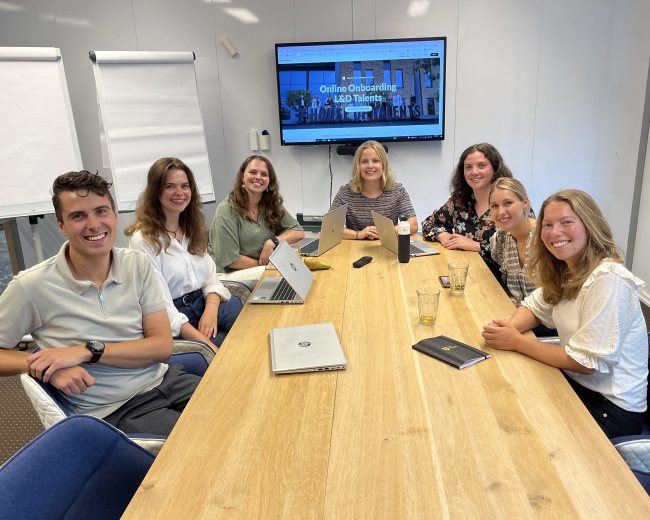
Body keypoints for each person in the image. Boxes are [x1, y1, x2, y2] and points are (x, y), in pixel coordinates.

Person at [0, 171, 199, 436]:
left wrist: (88, 351)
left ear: (115, 215)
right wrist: (44, 366)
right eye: (78, 216)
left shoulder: (136, 265)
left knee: (248, 411)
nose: (94, 225)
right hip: (118, 408)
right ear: (61, 225)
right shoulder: (31, 285)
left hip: (166, 379)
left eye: (101, 211)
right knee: (209, 443)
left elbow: (162, 347)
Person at [482, 189, 647, 438]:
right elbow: (535, 307)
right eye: (547, 224)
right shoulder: (566, 269)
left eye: (566, 222)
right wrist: (509, 330)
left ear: (590, 226)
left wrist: (516, 342)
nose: (554, 232)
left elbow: (585, 362)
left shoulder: (608, 279)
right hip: (579, 384)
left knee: (517, 428)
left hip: (611, 409)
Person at [126, 157, 243, 348]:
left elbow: (211, 278)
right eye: (170, 186)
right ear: (156, 192)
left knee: (248, 323)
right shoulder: (143, 241)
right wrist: (206, 344)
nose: (179, 193)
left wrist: (211, 310)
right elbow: (162, 307)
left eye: (185, 186)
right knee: (225, 348)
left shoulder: (192, 229)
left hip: (203, 303)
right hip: (175, 318)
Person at [421, 143, 513, 275]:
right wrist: (443, 236)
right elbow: (429, 223)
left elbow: (522, 250)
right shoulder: (460, 200)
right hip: (466, 273)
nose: (474, 172)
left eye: (482, 165)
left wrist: (476, 246)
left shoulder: (512, 201)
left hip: (502, 284)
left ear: (495, 168)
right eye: (468, 167)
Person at [209, 155, 304, 273]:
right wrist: (269, 267)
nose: (258, 177)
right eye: (253, 172)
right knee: (289, 277)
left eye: (264, 174)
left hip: (261, 269)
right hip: (231, 275)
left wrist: (272, 243)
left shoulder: (270, 203)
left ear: (269, 181)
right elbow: (231, 260)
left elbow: (298, 232)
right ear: (242, 177)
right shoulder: (226, 210)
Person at [329, 140, 418, 240]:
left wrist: (386, 232)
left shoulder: (398, 191)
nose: (370, 166)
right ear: (358, 166)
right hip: (354, 249)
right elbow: (330, 227)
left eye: (375, 161)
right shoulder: (345, 192)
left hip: (387, 248)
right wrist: (358, 234)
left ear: (384, 165)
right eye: (364, 161)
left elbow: (413, 225)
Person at [488, 177, 537, 304]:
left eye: (508, 203)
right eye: (494, 206)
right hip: (516, 312)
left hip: (547, 320)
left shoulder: (544, 237)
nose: (501, 212)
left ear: (525, 203)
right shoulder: (500, 238)